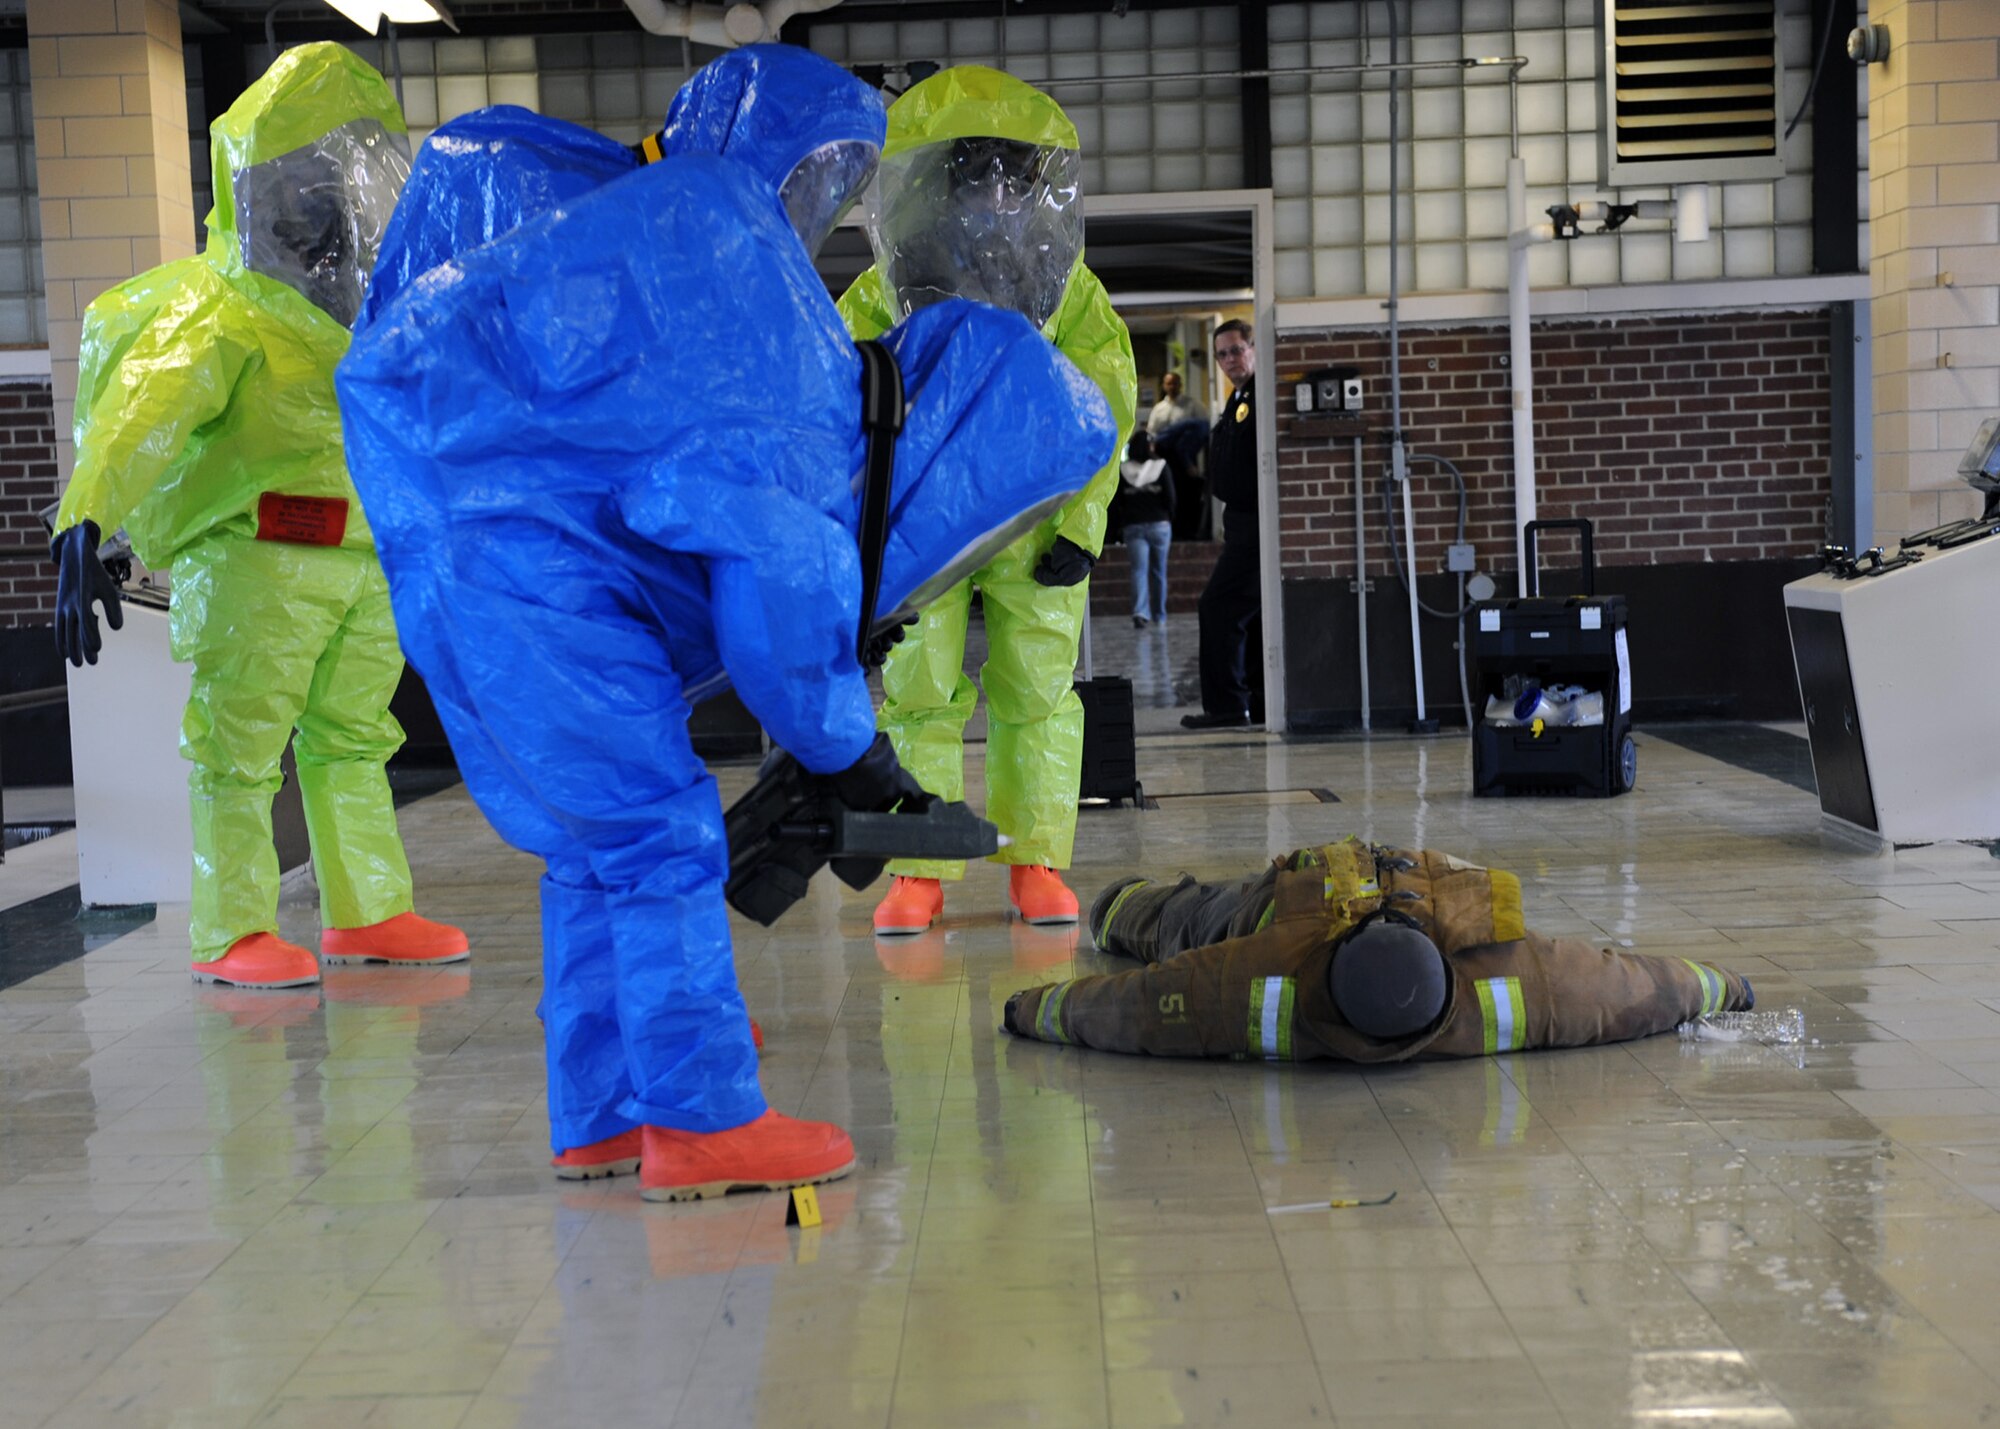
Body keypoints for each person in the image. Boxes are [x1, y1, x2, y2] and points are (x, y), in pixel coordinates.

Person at [338, 47, 1117, 1201]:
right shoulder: (786, 370)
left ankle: (601, 1110)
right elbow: (780, 597)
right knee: (658, 837)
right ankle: (700, 1119)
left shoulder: (709, 289)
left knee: (595, 851)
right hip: (543, 593)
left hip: (474, 567)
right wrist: (850, 753)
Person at [47, 43, 468, 991]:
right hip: (260, 558)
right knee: (238, 754)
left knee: (354, 740)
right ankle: (232, 927)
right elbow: (142, 414)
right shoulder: (224, 314)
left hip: (364, 561)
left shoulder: (381, 313)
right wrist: (87, 514)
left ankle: (367, 910)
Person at [837, 65, 1137, 937]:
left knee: (1036, 689)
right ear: (934, 184)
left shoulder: (1065, 288)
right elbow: (840, 409)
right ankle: (918, 870)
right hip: (922, 523)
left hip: (1037, 513)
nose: (994, 198)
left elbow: (1106, 401)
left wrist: (1083, 522)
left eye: (1011, 178)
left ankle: (1034, 859)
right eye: (973, 177)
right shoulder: (885, 289)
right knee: (917, 689)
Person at [1003, 838, 1753, 1060]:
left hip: (1276, 904)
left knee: (1170, 918)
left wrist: (1030, 1009)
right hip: (1349, 884)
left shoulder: (1254, 976)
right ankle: (1113, 908)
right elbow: (1639, 987)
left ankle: (1112, 905)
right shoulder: (1526, 980)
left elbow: (1135, 1007)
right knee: (1180, 921)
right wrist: (1725, 985)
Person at [1183, 319, 1263, 730]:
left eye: (1236, 350)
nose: (1230, 360)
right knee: (1249, 616)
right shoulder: (1239, 400)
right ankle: (1256, 702)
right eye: (1222, 354)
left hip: (1257, 527)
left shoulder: (1261, 396)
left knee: (1217, 608)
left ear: (1253, 348)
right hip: (1240, 524)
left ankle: (1228, 705)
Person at [1108, 430, 1175, 628]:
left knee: (1138, 570)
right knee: (1159, 571)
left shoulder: (1123, 470)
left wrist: (1117, 528)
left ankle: (1140, 612)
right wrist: (1168, 518)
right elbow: (1171, 498)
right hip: (1160, 526)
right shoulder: (1161, 467)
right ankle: (1160, 615)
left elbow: (1116, 502)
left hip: (1133, 526)